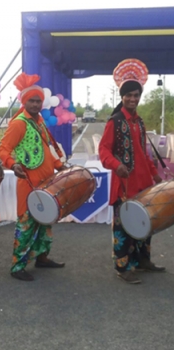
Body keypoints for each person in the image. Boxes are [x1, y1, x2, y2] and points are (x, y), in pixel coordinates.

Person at [99, 59, 164, 284]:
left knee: (145, 225)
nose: (133, 99)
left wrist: (155, 174)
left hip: (143, 183)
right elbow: (103, 150)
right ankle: (122, 266)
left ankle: (143, 261)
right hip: (124, 185)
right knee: (123, 227)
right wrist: (116, 165)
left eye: (136, 95)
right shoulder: (115, 122)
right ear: (122, 97)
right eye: (129, 95)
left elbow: (143, 152)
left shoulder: (140, 122)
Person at [0, 72, 66, 282]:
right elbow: (3, 149)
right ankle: (17, 267)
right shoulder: (19, 123)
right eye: (32, 101)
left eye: (38, 101)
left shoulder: (39, 122)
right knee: (26, 224)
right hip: (28, 183)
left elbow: (46, 149)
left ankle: (42, 257)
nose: (36, 104)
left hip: (46, 182)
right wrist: (13, 164)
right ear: (24, 101)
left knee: (45, 220)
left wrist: (59, 165)